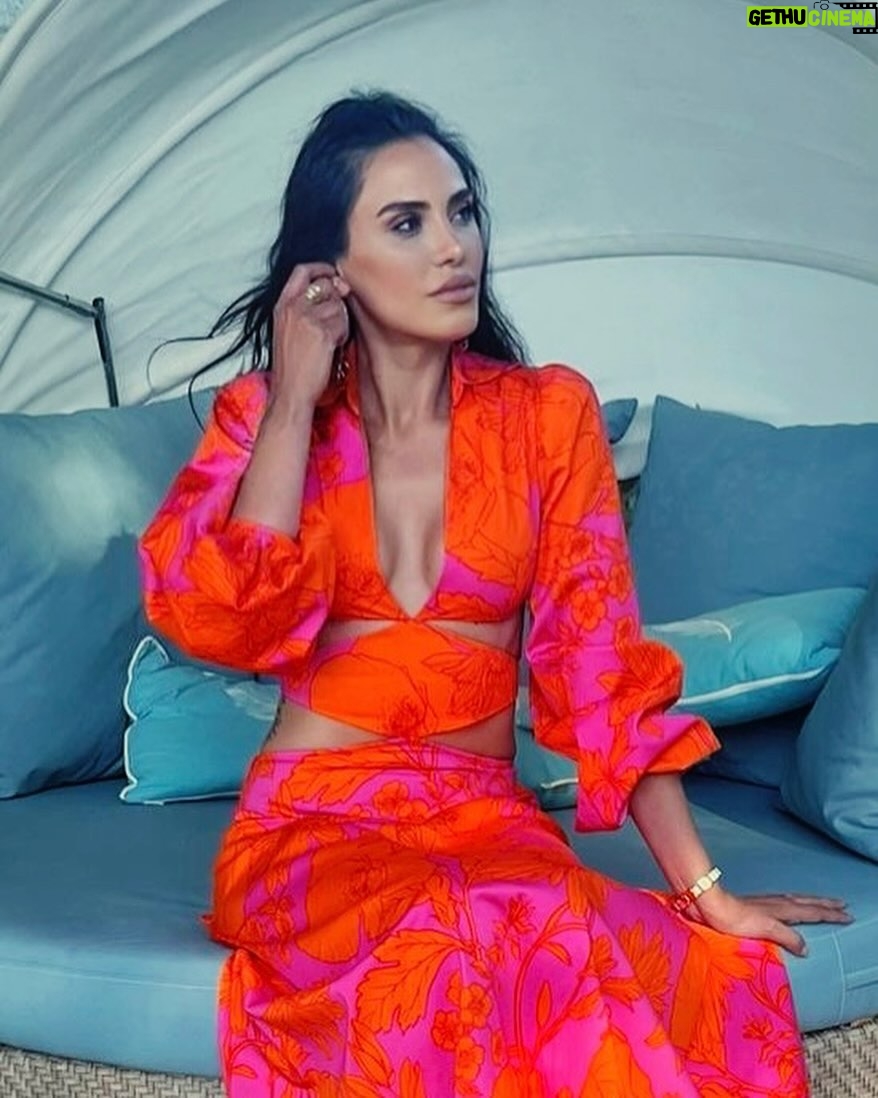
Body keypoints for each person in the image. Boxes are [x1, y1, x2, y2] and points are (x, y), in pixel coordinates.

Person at [138, 91, 850, 1097]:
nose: (452, 248)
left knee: (542, 923)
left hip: (482, 822)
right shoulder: (264, 418)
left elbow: (603, 672)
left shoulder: (545, 417)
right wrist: (293, 400)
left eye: (462, 212)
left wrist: (705, 890)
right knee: (445, 932)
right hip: (309, 826)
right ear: (329, 269)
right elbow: (231, 623)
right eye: (406, 223)